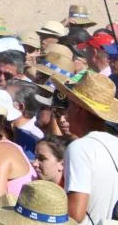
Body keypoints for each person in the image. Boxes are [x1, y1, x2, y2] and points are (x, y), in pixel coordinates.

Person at [57, 72, 118, 224]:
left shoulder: (80, 148)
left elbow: (75, 213)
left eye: (69, 105)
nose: (66, 112)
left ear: (79, 109)